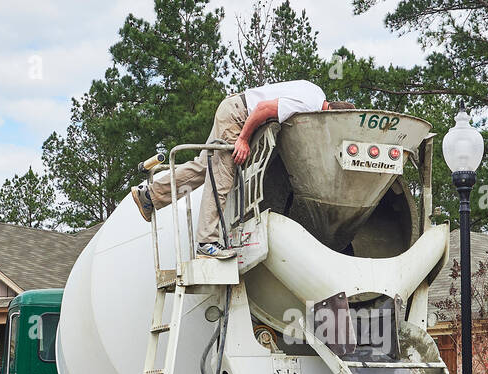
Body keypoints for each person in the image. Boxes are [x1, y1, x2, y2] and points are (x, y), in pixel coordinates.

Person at [130, 81, 350, 257]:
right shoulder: (307, 107)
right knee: (222, 177)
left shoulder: (316, 92)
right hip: (238, 115)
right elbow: (263, 108)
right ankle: (206, 242)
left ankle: (150, 195)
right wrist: (243, 139)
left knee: (204, 167)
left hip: (234, 107)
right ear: (329, 112)